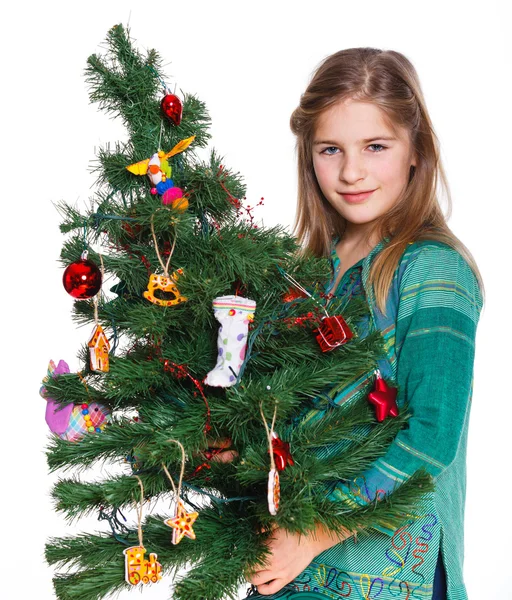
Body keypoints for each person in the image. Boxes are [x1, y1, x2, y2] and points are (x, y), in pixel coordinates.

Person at [221, 47, 484, 600]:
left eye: (376, 147)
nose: (351, 171)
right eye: (330, 149)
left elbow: (432, 435)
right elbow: (283, 414)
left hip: (387, 577)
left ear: (417, 151)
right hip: (294, 567)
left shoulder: (432, 270)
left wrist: (316, 532)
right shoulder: (306, 276)